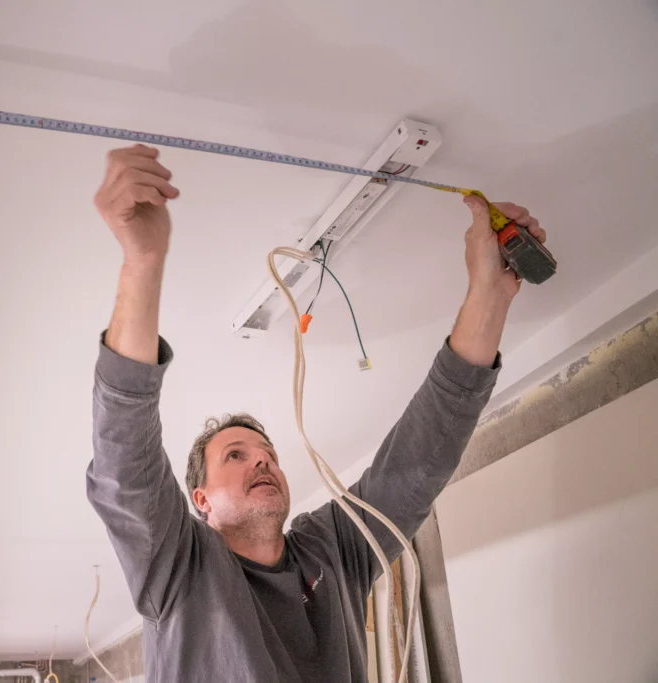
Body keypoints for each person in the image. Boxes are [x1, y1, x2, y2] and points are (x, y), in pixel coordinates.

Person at [86, 144, 547, 683]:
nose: (263, 462)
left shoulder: (333, 549)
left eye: (267, 454)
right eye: (235, 456)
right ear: (201, 500)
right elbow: (126, 470)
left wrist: (489, 295)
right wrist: (142, 262)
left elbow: (418, 462)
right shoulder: (180, 571)